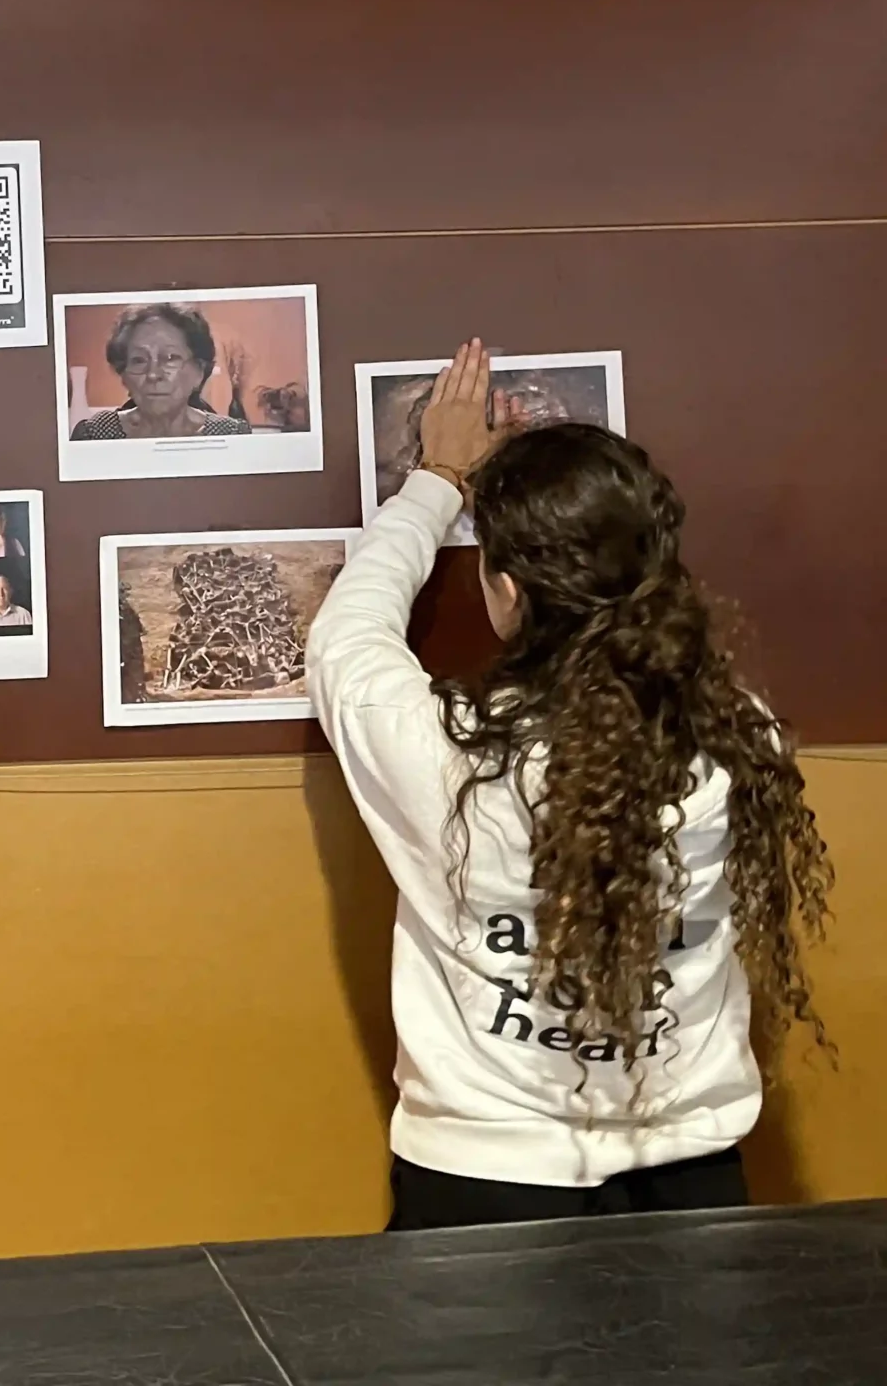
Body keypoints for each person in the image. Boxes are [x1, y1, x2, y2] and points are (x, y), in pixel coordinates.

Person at [307, 339, 833, 1233]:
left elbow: (347, 635)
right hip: (693, 1178)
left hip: (480, 1182)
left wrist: (439, 477)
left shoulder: (443, 749)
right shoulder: (732, 731)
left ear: (506, 591)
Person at [70, 303, 252, 441]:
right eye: (139, 360)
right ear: (123, 375)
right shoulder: (94, 434)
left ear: (199, 371)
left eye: (170, 358)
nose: (153, 374)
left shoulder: (231, 435)